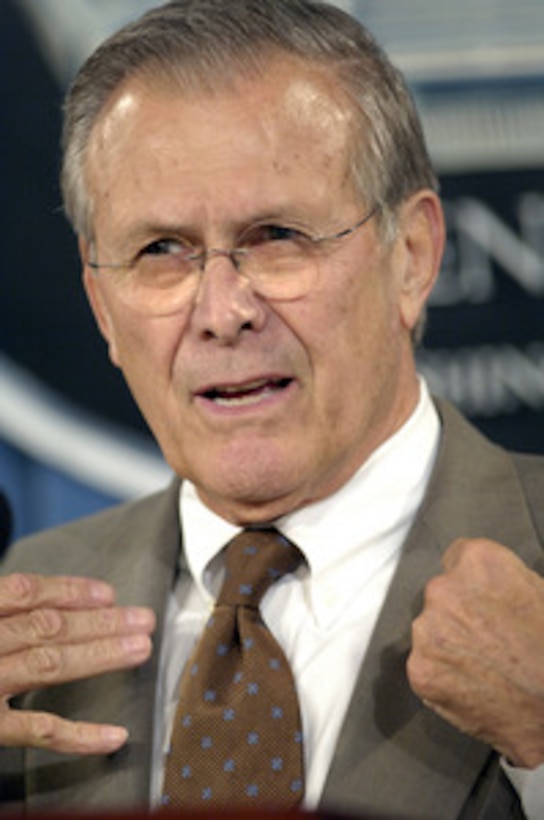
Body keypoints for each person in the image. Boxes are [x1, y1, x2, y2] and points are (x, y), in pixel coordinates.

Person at [1, 1, 544, 816]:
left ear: (413, 257)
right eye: (160, 251)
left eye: (278, 235)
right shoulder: (23, 611)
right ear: (102, 307)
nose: (223, 310)